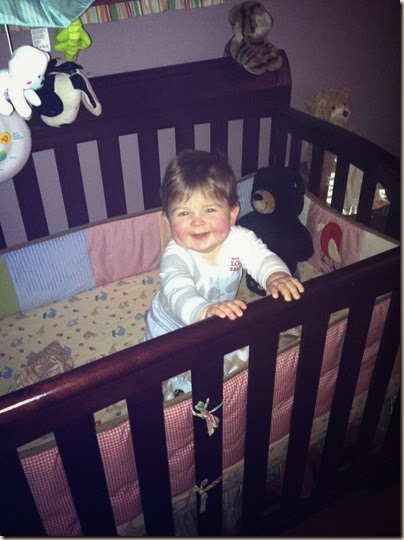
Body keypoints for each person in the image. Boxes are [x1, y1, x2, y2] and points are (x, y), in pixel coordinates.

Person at [144, 149, 304, 343]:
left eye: (210, 210)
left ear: (232, 214)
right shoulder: (176, 255)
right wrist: (205, 311)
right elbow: (178, 291)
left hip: (217, 319)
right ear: (168, 221)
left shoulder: (240, 239)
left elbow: (261, 257)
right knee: (164, 361)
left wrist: (276, 276)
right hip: (170, 328)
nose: (197, 222)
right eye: (184, 213)